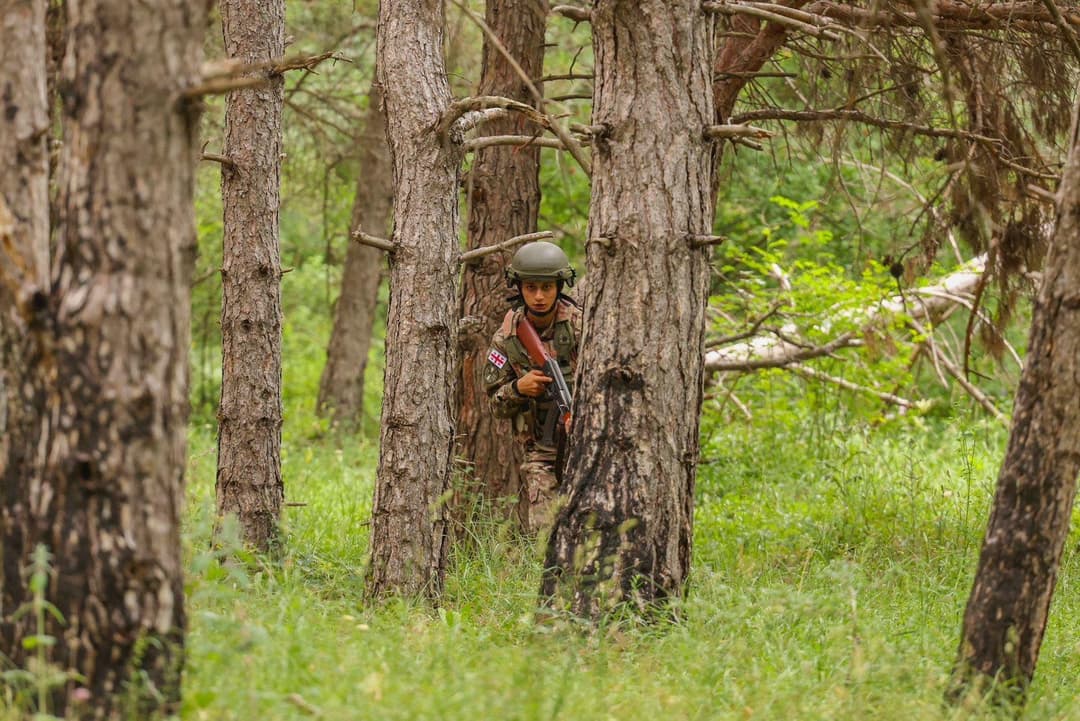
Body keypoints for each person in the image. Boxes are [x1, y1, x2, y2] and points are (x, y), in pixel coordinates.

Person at [483, 240, 582, 534]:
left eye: (547, 288)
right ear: (520, 288)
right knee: (544, 531)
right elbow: (494, 404)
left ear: (559, 286)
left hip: (586, 441)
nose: (539, 296)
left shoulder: (581, 324)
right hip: (540, 449)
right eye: (531, 288)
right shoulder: (507, 338)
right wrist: (518, 389)